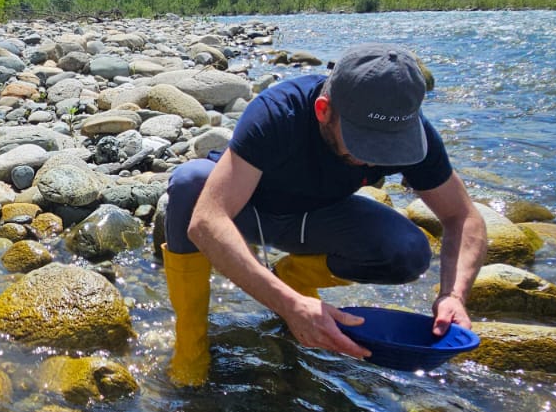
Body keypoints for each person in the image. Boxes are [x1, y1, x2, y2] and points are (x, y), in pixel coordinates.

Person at [160, 42, 487, 385]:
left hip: (315, 221)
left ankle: (295, 277)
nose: (377, 159)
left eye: (389, 147)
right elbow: (208, 221)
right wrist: (289, 306)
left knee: (409, 251)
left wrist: (453, 295)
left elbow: (464, 218)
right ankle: (191, 344)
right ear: (323, 110)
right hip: (249, 212)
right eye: (364, 144)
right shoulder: (277, 112)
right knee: (189, 184)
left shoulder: (408, 130)